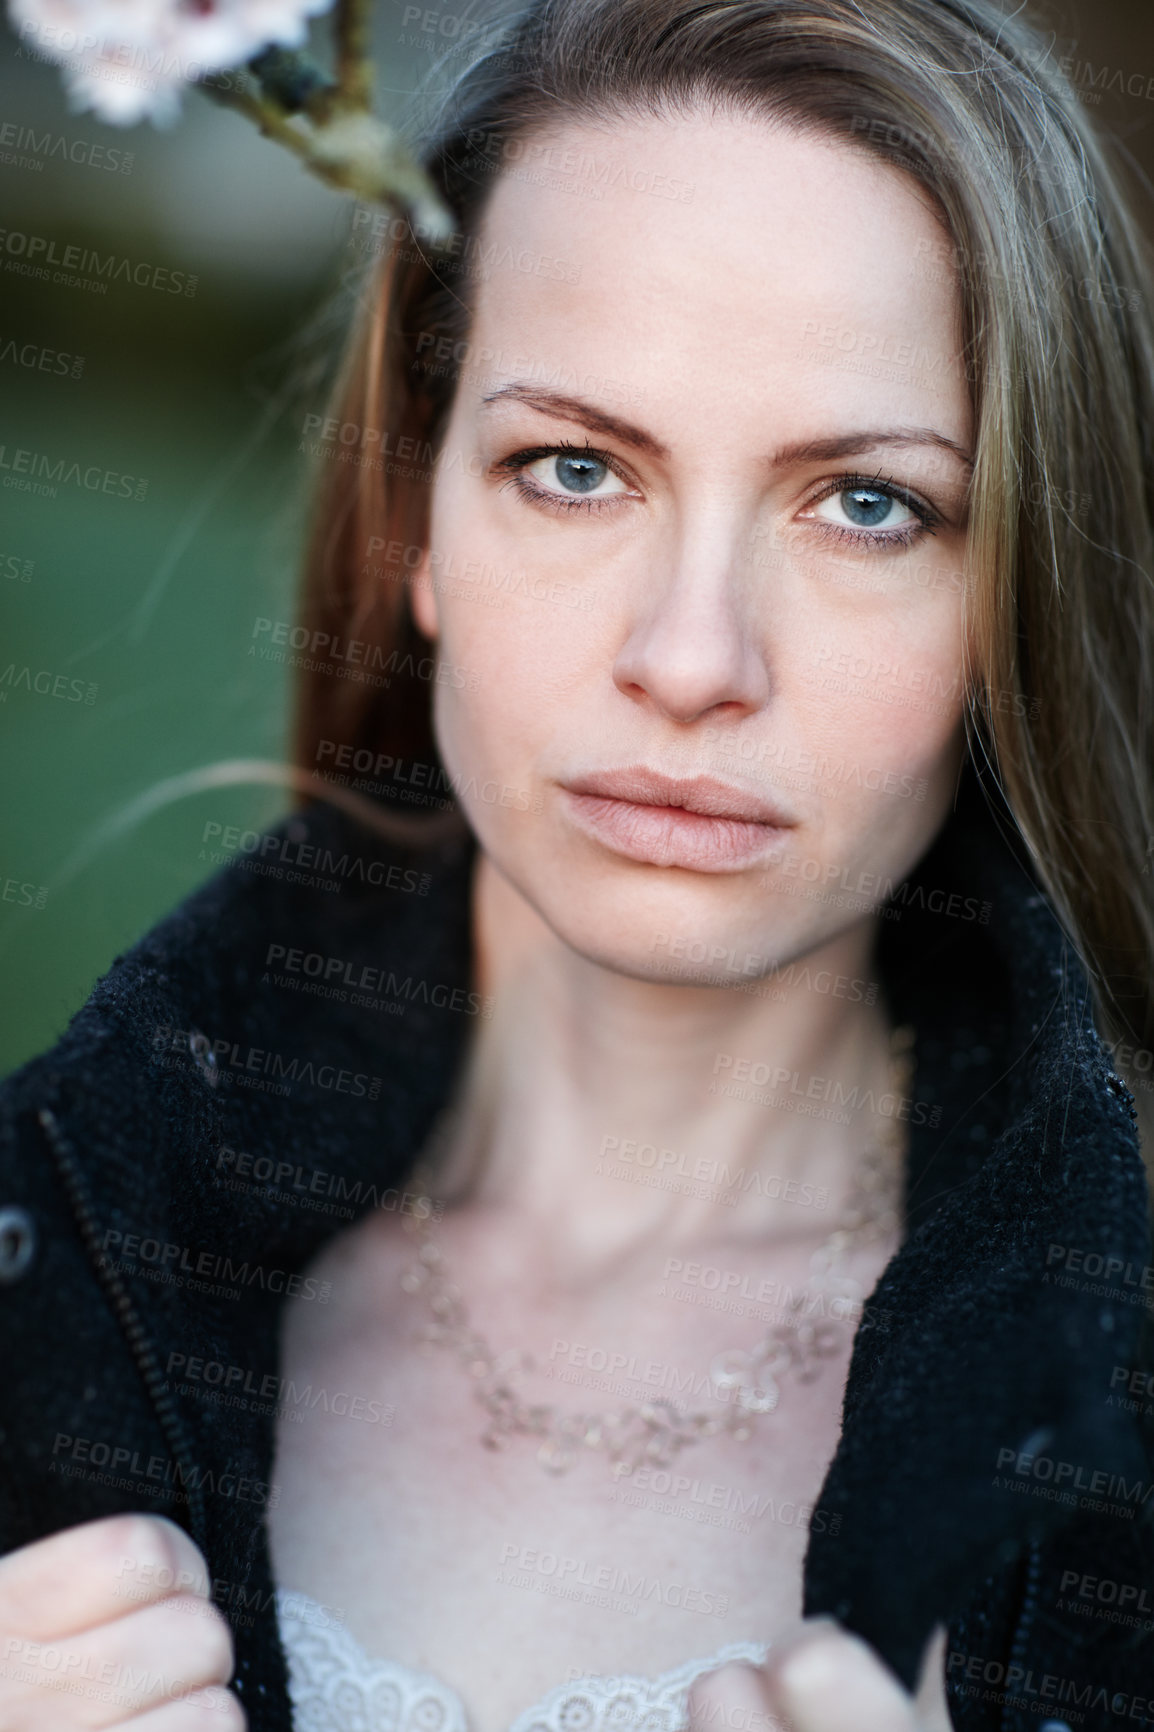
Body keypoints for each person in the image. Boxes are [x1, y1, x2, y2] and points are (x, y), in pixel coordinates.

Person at [2, 0, 1153, 1728]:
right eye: (574, 468)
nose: (691, 660)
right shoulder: (55, 1238)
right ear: (418, 524)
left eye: (864, 505)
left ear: (1012, 604)